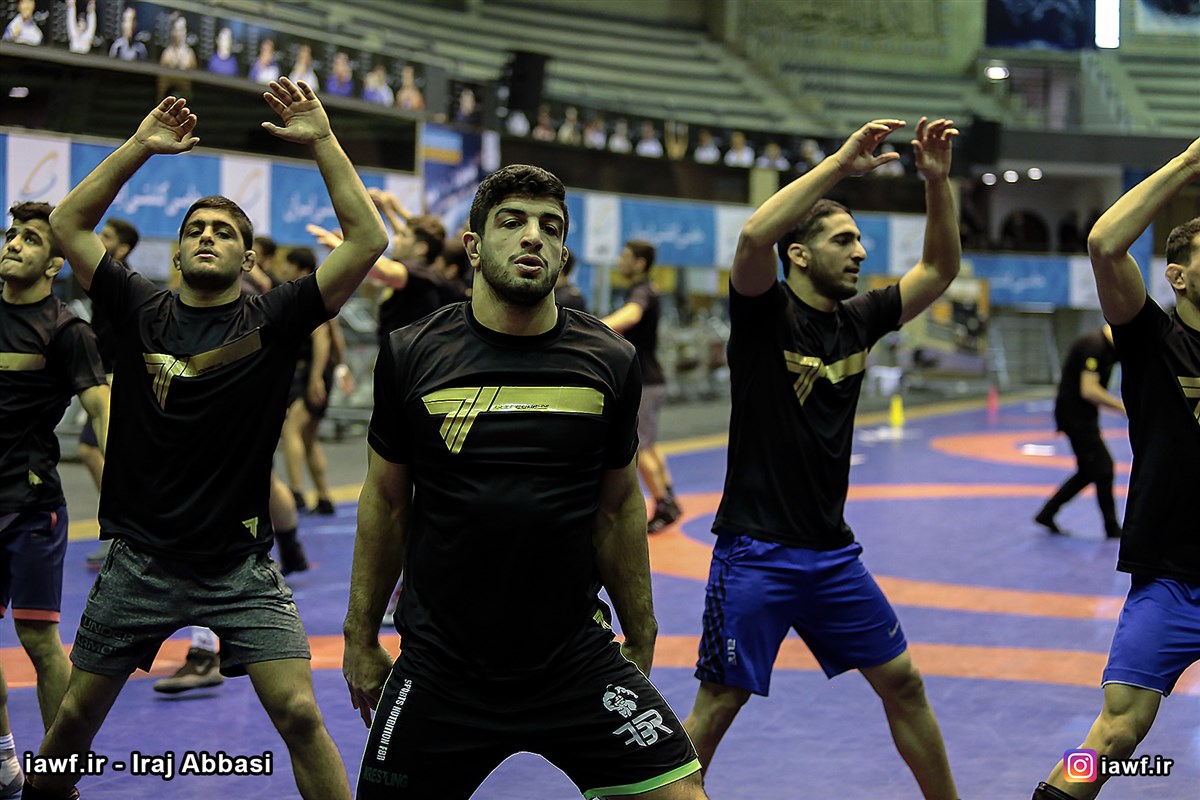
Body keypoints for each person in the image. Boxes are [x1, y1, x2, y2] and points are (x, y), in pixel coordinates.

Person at [22, 79, 388, 800]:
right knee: (73, 722)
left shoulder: (275, 319)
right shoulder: (138, 307)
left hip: (238, 568)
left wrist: (322, 139)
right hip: (139, 564)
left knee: (300, 714)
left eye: (223, 231)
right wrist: (140, 145)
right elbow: (68, 223)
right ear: (178, 253)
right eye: (195, 229)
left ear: (248, 259)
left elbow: (368, 241)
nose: (207, 236)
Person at [342, 163, 706, 800]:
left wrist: (642, 630)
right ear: (474, 246)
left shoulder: (609, 360)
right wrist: (360, 634)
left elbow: (619, 507)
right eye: (511, 222)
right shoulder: (410, 353)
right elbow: (388, 502)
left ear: (563, 253)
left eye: (550, 227)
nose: (533, 236)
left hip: (574, 658)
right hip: (441, 666)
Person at [681, 117, 962, 800]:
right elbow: (754, 237)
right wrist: (840, 163)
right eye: (843, 240)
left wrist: (936, 185)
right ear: (800, 255)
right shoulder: (763, 314)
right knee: (718, 704)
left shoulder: (859, 321)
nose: (860, 252)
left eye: (860, 240)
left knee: (903, 683)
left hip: (832, 555)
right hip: (757, 552)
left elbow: (940, 270)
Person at [1029, 134, 1200, 800]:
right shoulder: (1154, 339)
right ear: (1177, 275)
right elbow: (1104, 244)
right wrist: (1189, 164)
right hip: (1171, 580)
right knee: (1113, 741)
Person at [0, 201, 109, 799]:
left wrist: (129, 495)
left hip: (30, 505)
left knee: (40, 641)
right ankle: (4, 760)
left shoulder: (67, 331)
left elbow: (101, 410)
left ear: (54, 263)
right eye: (11, 234)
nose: (14, 243)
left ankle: (59, 777)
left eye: (30, 239)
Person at [602, 241, 681, 533]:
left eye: (625, 257)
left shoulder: (642, 291)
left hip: (645, 380)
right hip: (651, 378)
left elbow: (632, 315)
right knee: (651, 443)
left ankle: (663, 505)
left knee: (641, 445)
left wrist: (592, 328)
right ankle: (669, 495)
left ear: (639, 263)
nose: (619, 261)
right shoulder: (646, 288)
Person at [81, 218, 139, 569]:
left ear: (123, 248)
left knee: (95, 450)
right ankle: (124, 527)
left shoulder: (121, 282)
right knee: (96, 451)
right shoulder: (108, 277)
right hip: (106, 375)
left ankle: (123, 529)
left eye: (106, 236)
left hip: (118, 378)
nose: (99, 239)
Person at [1035, 325, 1125, 539]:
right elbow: (1089, 390)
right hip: (1075, 416)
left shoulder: (1109, 348)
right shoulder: (1095, 346)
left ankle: (1047, 513)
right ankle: (1111, 527)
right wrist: (1122, 407)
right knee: (1103, 468)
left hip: (1082, 415)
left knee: (1089, 470)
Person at [280, 247, 338, 516]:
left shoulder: (311, 293)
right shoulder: (319, 294)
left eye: (288, 265)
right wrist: (340, 368)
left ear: (300, 269)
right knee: (309, 436)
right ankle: (324, 497)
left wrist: (316, 377)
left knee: (291, 429)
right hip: (318, 371)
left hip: (313, 373)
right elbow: (338, 340)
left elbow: (323, 338)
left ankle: (296, 492)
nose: (283, 269)